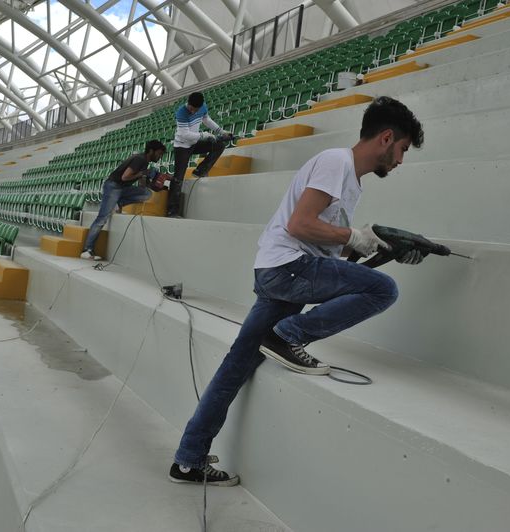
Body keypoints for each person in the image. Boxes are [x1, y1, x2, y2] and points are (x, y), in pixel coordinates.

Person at [168, 96, 425, 486]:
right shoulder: (336, 162)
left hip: (286, 271)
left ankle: (188, 459)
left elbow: (334, 257)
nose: (401, 161)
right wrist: (355, 236)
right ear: (387, 138)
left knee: (237, 366)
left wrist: (378, 250)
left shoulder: (350, 182)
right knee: (384, 292)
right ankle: (287, 336)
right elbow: (300, 225)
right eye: (403, 150)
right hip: (288, 268)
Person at [81, 140, 167, 260]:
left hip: (122, 187)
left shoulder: (145, 162)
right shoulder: (140, 159)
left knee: (146, 193)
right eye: (159, 153)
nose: (160, 157)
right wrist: (142, 173)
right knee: (102, 218)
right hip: (113, 187)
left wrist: (154, 184)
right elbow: (125, 177)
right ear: (151, 151)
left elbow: (141, 185)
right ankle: (87, 250)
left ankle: (119, 202)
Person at [167, 92, 232, 218]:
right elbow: (185, 135)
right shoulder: (181, 112)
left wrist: (221, 132)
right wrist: (204, 135)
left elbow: (206, 119)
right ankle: (172, 211)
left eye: (195, 109)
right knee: (178, 179)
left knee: (219, 145)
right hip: (182, 147)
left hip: (195, 142)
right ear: (188, 103)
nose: (192, 111)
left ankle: (200, 170)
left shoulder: (202, 107)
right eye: (190, 108)